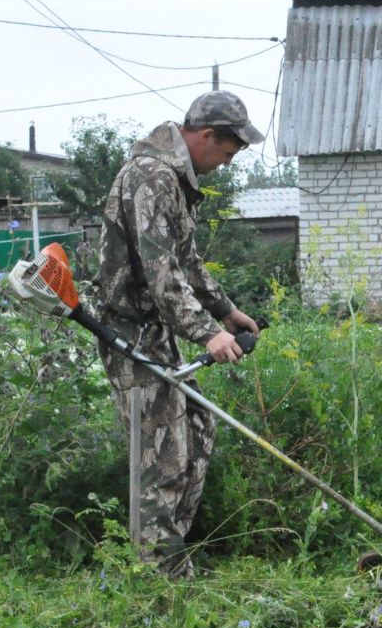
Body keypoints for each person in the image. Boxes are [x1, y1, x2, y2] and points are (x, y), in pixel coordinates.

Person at [92, 91, 263, 576]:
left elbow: (186, 260)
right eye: (227, 154)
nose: (226, 164)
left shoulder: (173, 180)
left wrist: (226, 312)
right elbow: (161, 272)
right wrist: (208, 333)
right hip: (129, 330)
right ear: (205, 137)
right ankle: (156, 572)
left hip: (156, 330)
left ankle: (171, 554)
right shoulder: (150, 177)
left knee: (196, 429)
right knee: (161, 449)